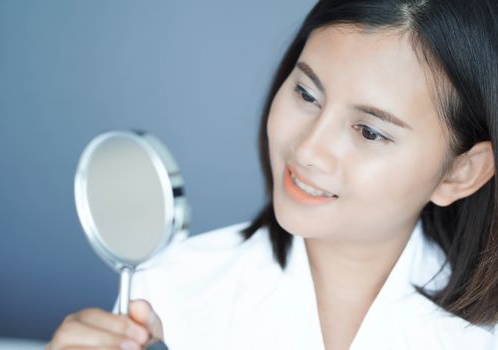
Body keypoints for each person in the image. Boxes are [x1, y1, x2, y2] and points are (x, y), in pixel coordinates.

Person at [47, 0, 498, 349]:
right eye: (306, 92)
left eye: (369, 132)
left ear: (461, 172)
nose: (307, 149)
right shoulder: (166, 291)